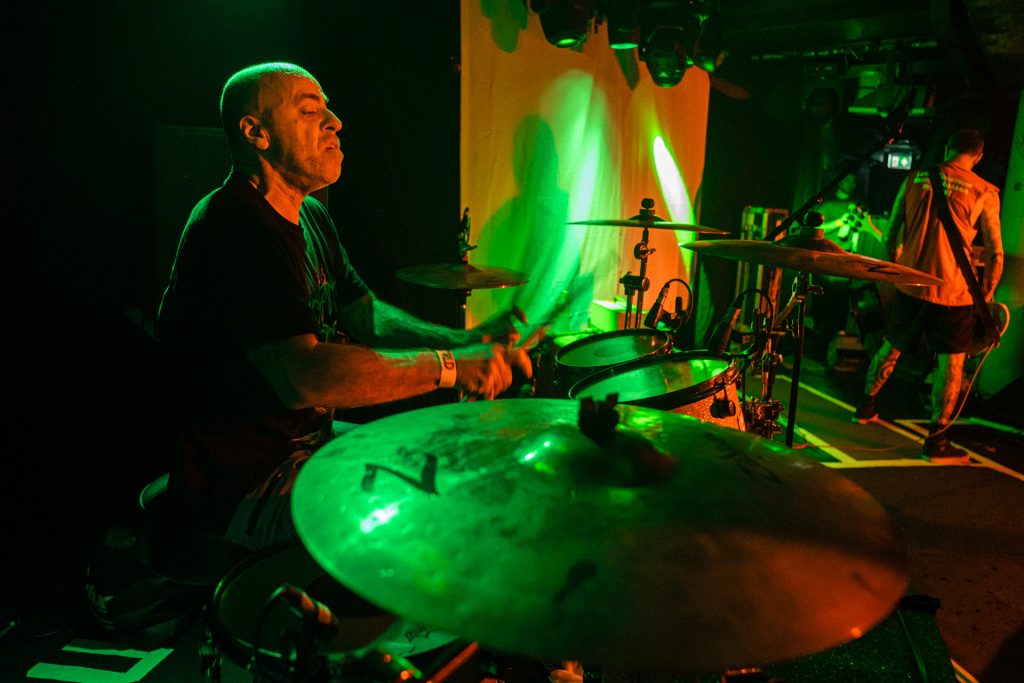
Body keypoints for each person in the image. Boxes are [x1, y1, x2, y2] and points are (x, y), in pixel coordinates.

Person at [154, 62, 535, 552]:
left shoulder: (310, 215)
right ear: (257, 133)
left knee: (450, 463)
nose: (335, 121)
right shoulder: (234, 227)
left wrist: (467, 342)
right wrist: (451, 368)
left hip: (306, 447)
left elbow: (363, 312)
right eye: (310, 110)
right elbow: (306, 377)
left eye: (329, 108)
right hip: (242, 484)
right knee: (440, 515)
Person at [853, 128, 1003, 464]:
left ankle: (865, 405)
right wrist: (987, 295)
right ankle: (937, 441)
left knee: (891, 344)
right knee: (952, 364)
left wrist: (900, 270)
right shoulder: (984, 192)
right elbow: (995, 253)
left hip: (911, 283)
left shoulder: (916, 178)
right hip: (954, 292)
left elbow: (893, 231)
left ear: (948, 146)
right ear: (978, 155)